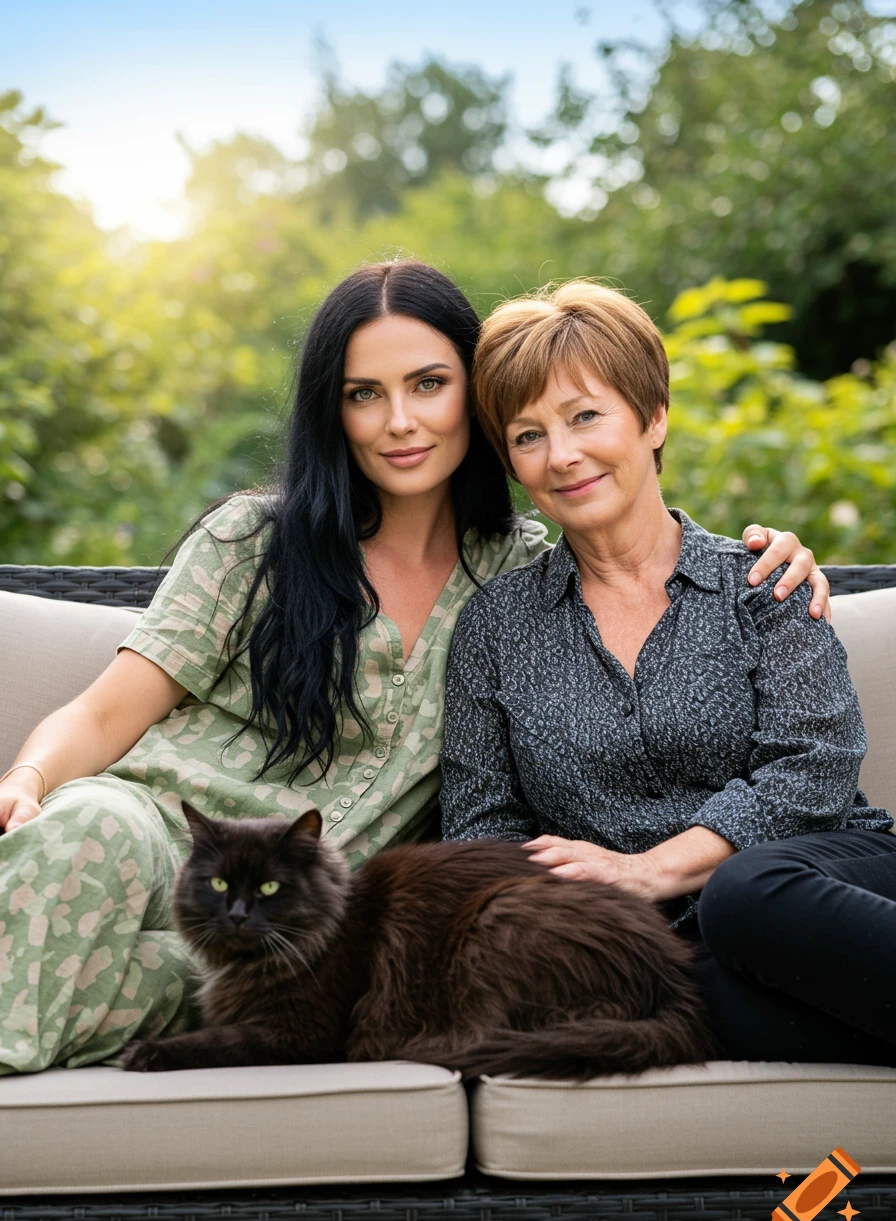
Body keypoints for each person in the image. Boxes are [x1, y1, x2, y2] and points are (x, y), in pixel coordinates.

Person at [0, 261, 829, 1075]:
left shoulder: (519, 574)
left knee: (154, 987)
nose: (399, 420)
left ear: (478, 395)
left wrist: (770, 555)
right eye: (365, 394)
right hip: (169, 846)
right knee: (87, 827)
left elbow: (635, 540)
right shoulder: (253, 543)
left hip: (307, 934)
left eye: (428, 384)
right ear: (335, 410)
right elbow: (108, 715)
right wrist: (29, 778)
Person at [440, 278, 896, 1066]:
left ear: (653, 418)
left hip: (819, 885)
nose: (563, 455)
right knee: (672, 1005)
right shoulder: (495, 628)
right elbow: (482, 829)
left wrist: (651, 870)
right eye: (528, 436)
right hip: (667, 948)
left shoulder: (762, 581)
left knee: (745, 894)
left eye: (586, 416)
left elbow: (814, 772)